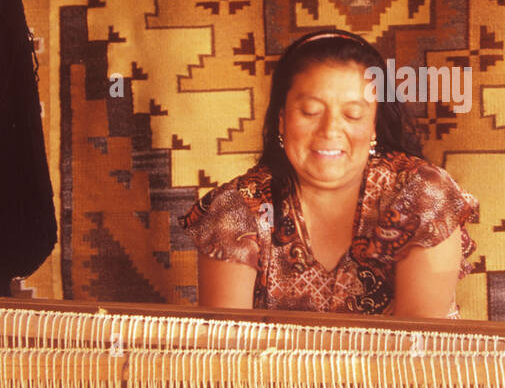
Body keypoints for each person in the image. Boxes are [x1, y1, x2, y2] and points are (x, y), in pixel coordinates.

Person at [180, 29, 478, 318]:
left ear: (374, 125)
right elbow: (225, 352)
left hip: (403, 369)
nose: (330, 130)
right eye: (310, 111)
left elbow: (419, 349)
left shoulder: (421, 195)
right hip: (271, 371)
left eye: (353, 115)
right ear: (282, 120)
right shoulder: (239, 209)